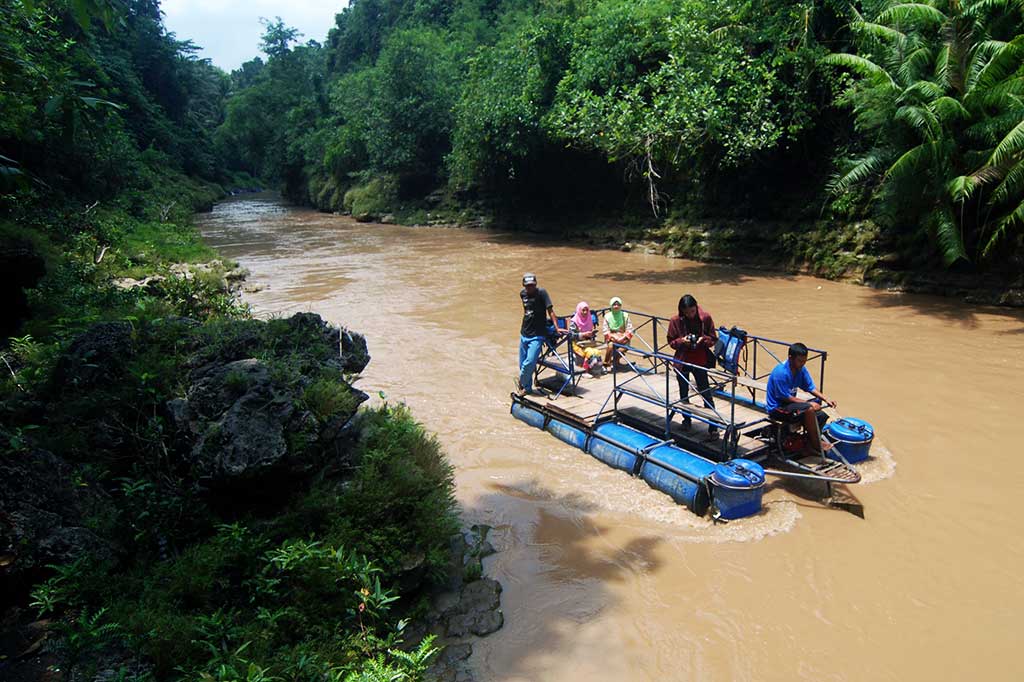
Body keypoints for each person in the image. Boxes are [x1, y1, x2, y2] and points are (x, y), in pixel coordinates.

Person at [765, 342, 837, 458]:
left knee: (821, 415)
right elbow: (785, 397)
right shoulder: (781, 373)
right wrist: (809, 404)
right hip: (778, 408)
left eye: (804, 361)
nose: (802, 363)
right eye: (800, 361)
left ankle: (808, 443)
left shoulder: (801, 369)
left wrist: (825, 398)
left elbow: (810, 387)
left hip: (790, 405)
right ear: (790, 358)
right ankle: (816, 445)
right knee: (809, 409)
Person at [666, 294, 718, 435]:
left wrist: (703, 340)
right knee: (684, 392)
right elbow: (671, 342)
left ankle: (713, 426)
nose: (689, 315)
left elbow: (713, 338)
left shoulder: (705, 318)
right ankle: (686, 421)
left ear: (696, 307)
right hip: (682, 360)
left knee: (705, 392)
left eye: (692, 311)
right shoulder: (675, 320)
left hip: (700, 359)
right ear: (681, 310)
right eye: (686, 312)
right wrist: (682, 341)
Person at [516, 272, 562, 396]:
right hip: (524, 333)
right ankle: (527, 388)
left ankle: (521, 380)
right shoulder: (523, 294)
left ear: (535, 284)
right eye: (527, 286)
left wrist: (557, 327)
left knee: (530, 362)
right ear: (524, 286)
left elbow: (551, 311)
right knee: (522, 364)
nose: (529, 288)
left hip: (537, 335)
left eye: (532, 285)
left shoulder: (542, 293)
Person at [569, 301, 603, 372]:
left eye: (587, 310)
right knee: (589, 352)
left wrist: (591, 334)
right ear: (579, 310)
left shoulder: (589, 319)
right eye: (583, 310)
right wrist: (583, 334)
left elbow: (590, 332)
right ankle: (585, 370)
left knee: (597, 352)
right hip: (576, 343)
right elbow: (571, 336)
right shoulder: (574, 322)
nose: (585, 312)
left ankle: (596, 368)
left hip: (587, 342)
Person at [602, 296, 633, 368]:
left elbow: (630, 329)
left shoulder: (625, 315)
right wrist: (614, 337)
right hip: (612, 338)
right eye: (614, 305)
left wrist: (623, 337)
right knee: (610, 346)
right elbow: (605, 330)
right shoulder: (607, 316)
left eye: (618, 305)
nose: (616, 306)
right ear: (611, 306)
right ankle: (606, 364)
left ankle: (615, 362)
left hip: (624, 339)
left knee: (622, 349)